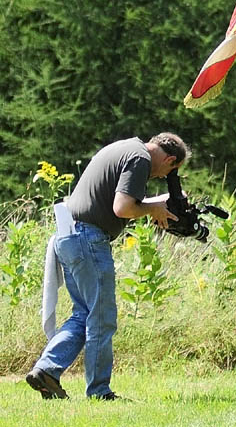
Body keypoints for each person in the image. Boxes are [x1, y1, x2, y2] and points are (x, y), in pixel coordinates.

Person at [26, 133, 188, 400]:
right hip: (88, 239)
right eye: (169, 171)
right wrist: (153, 209)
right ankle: (100, 392)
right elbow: (123, 208)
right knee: (101, 318)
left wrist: (156, 205)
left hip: (69, 235)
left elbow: (117, 202)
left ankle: (46, 371)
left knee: (84, 314)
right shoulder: (140, 159)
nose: (162, 176)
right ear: (170, 159)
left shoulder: (125, 147)